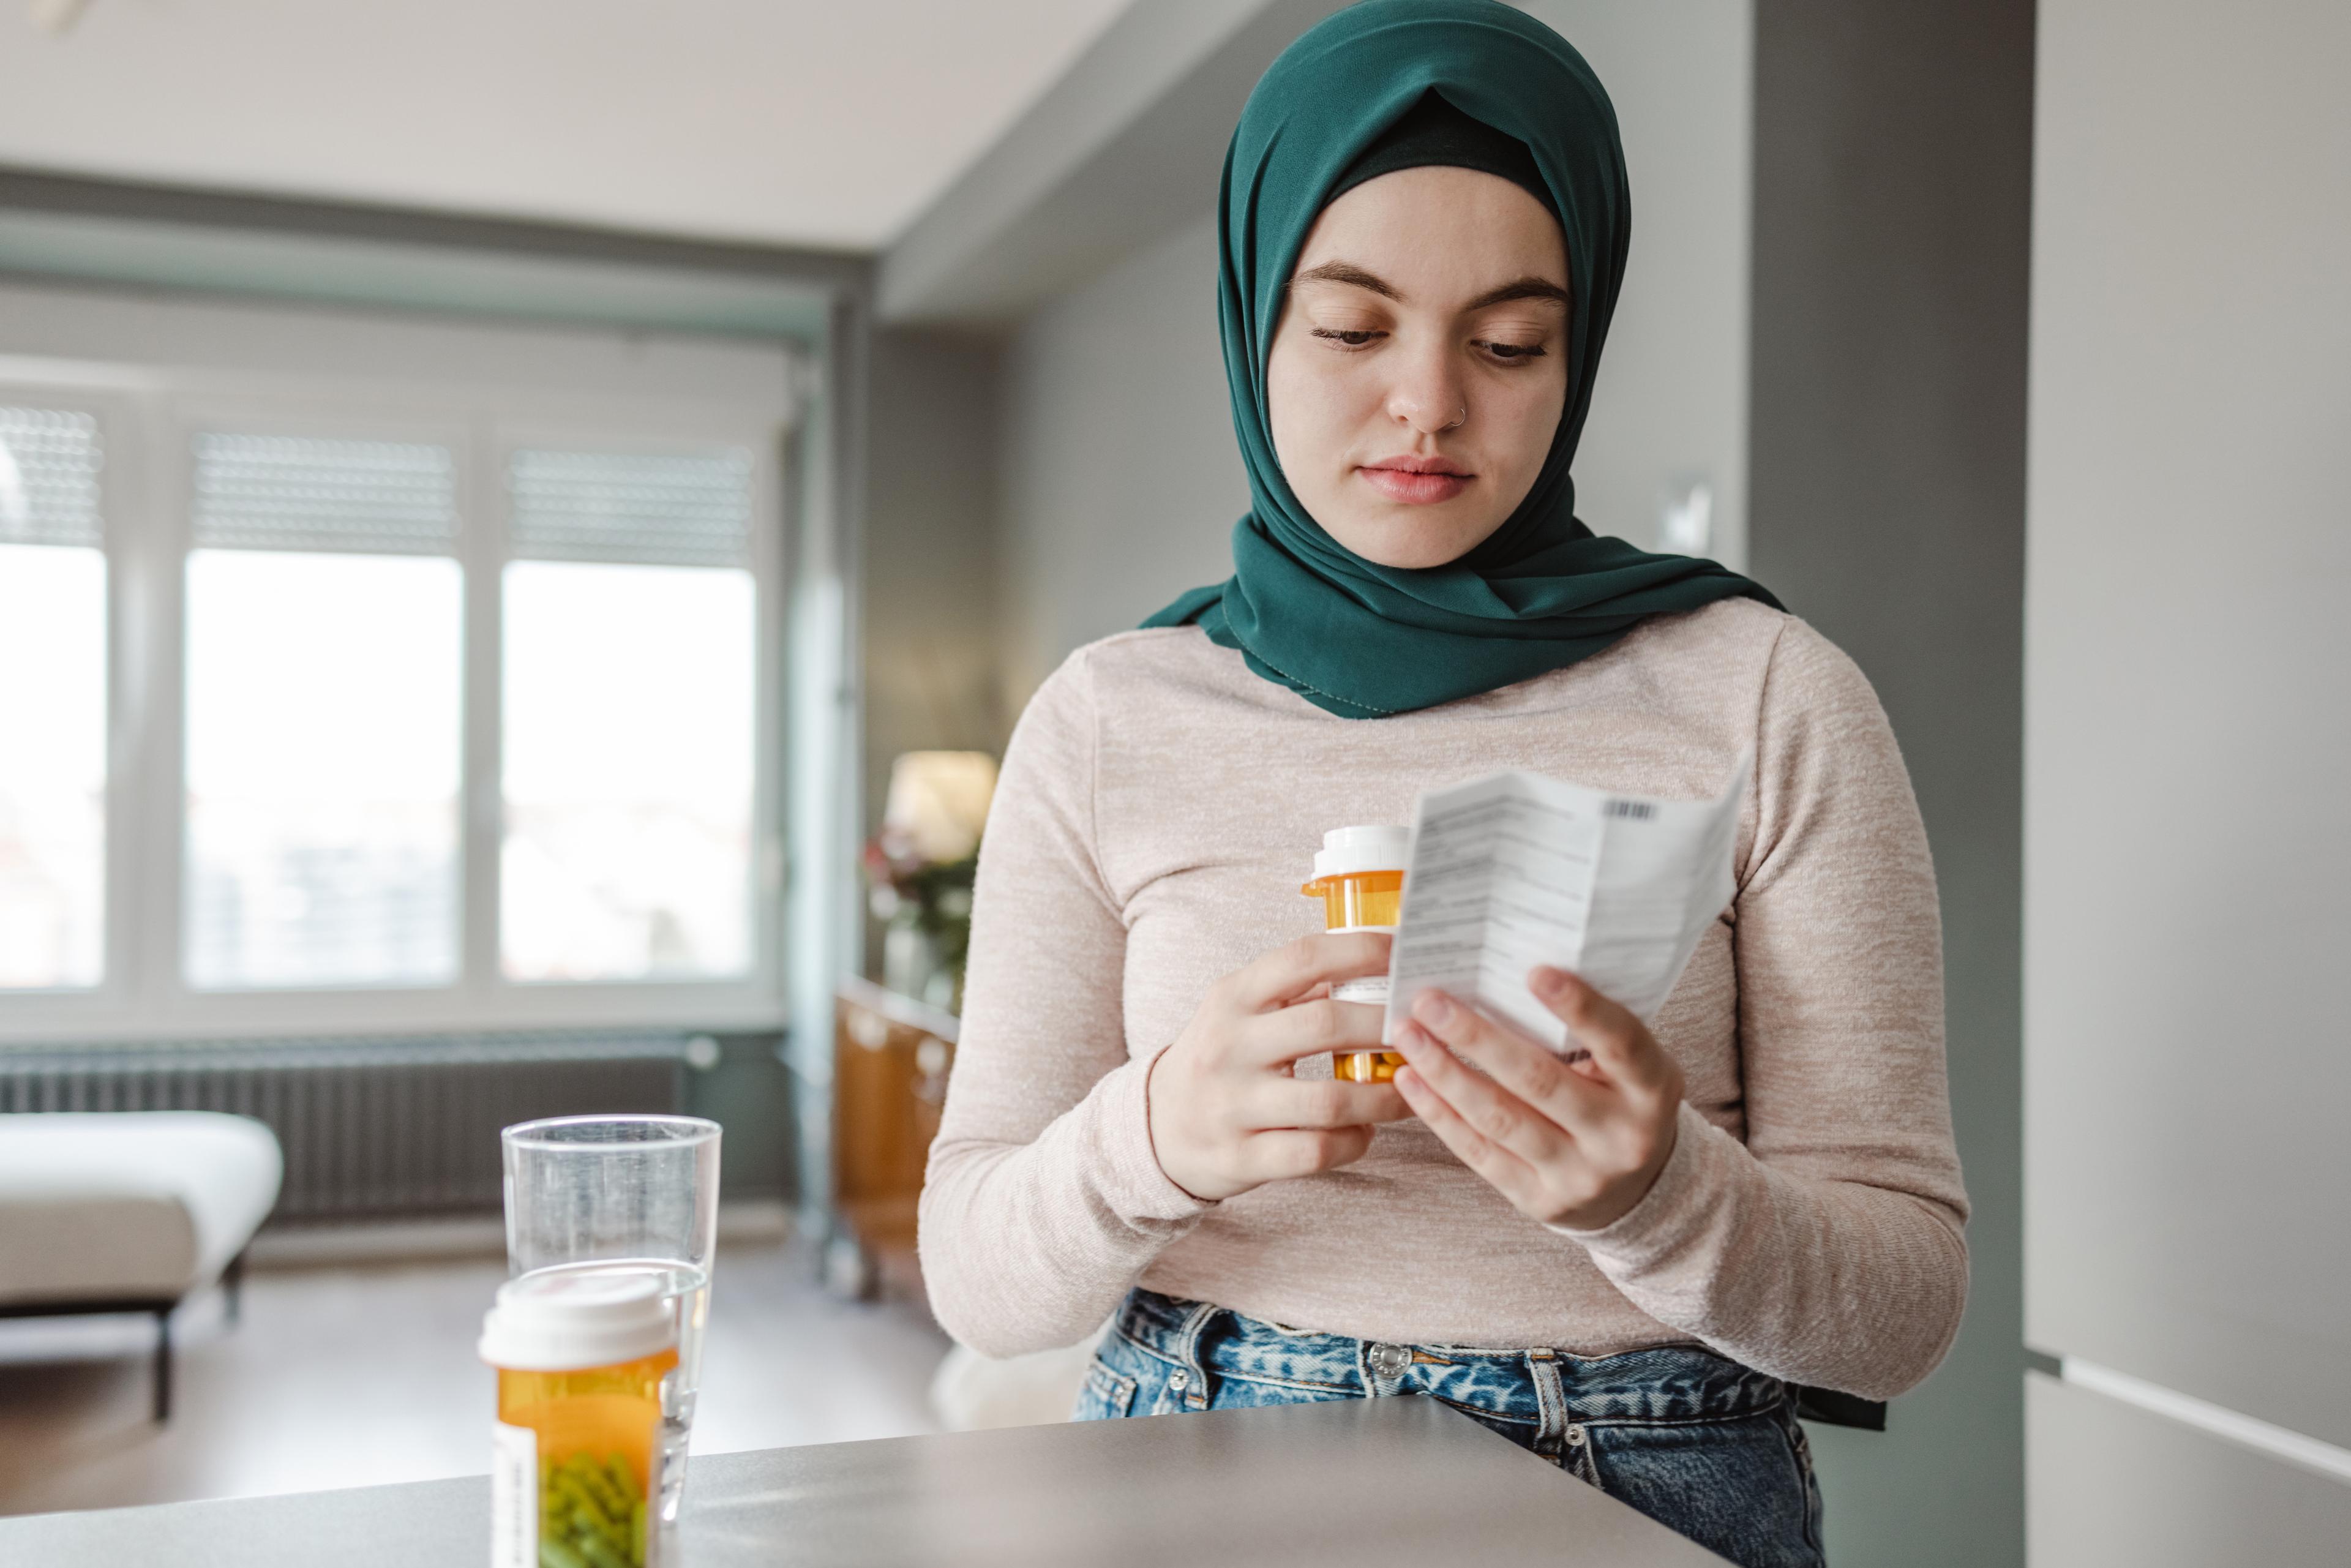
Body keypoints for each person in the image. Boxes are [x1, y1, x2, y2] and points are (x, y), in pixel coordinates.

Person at [917, 4, 1967, 1564]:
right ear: (1255, 317)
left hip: (1645, 1481)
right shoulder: (1109, 718)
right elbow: (975, 1274)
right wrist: (1150, 1138)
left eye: (1509, 341)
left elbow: (1904, 1313)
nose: (1428, 403)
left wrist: (1667, 1195)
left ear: (1578, 344)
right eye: (1352, 329)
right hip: (1186, 1469)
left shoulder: (1765, 691)